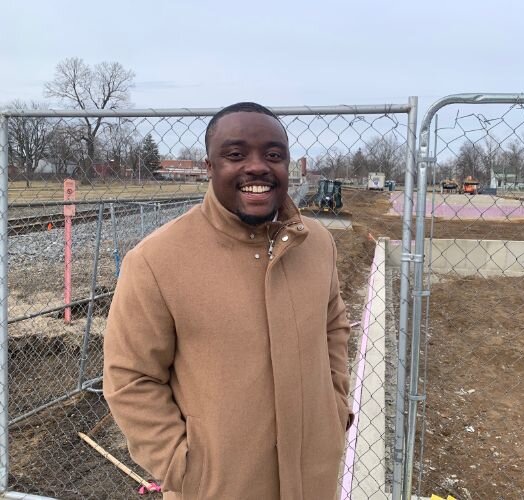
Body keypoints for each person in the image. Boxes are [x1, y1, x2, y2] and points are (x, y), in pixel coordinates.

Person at [103, 102, 353, 499]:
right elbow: (130, 378)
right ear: (209, 166)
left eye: (274, 155)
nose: (257, 167)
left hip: (313, 480)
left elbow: (333, 327)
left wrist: (335, 408)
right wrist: (186, 467)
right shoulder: (156, 261)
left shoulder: (317, 243)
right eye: (235, 155)